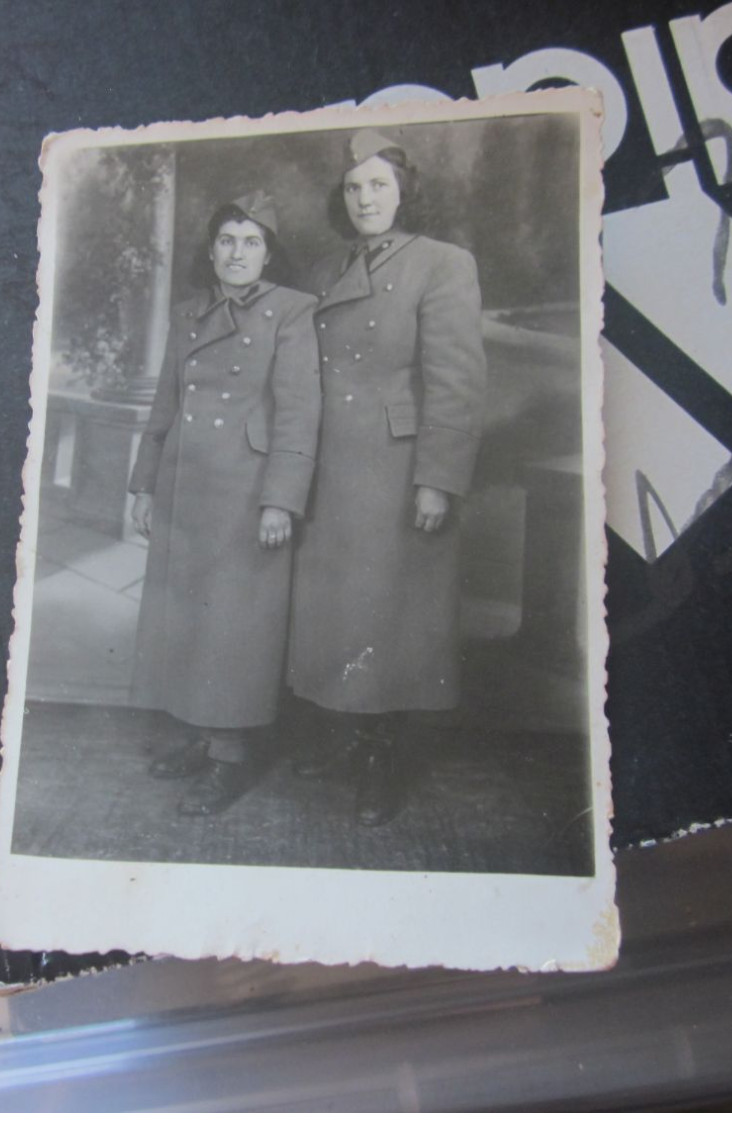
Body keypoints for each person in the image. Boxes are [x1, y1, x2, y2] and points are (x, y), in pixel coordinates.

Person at [287, 129, 488, 827]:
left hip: (395, 470)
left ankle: (384, 763)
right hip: (328, 466)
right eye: (353, 186)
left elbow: (456, 382)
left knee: (390, 616)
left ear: (404, 192)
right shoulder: (325, 268)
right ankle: (346, 738)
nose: (365, 197)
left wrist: (438, 478)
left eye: (378, 184)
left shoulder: (442, 263)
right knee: (335, 612)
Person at [127, 191, 322, 817]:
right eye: (227, 241)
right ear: (211, 251)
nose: (238, 254)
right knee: (187, 619)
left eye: (252, 242)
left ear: (269, 253)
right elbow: (165, 403)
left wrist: (281, 502)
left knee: (232, 630)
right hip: (187, 485)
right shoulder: (189, 313)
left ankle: (229, 759)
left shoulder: (292, 311)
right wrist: (143, 484)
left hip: (246, 492)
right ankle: (199, 738)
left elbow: (298, 414)